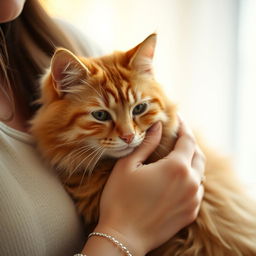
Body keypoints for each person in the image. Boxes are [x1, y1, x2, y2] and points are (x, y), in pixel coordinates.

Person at [0, 0, 206, 255]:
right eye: (100, 115)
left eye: (138, 110)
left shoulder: (63, 37)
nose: (128, 134)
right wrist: (123, 234)